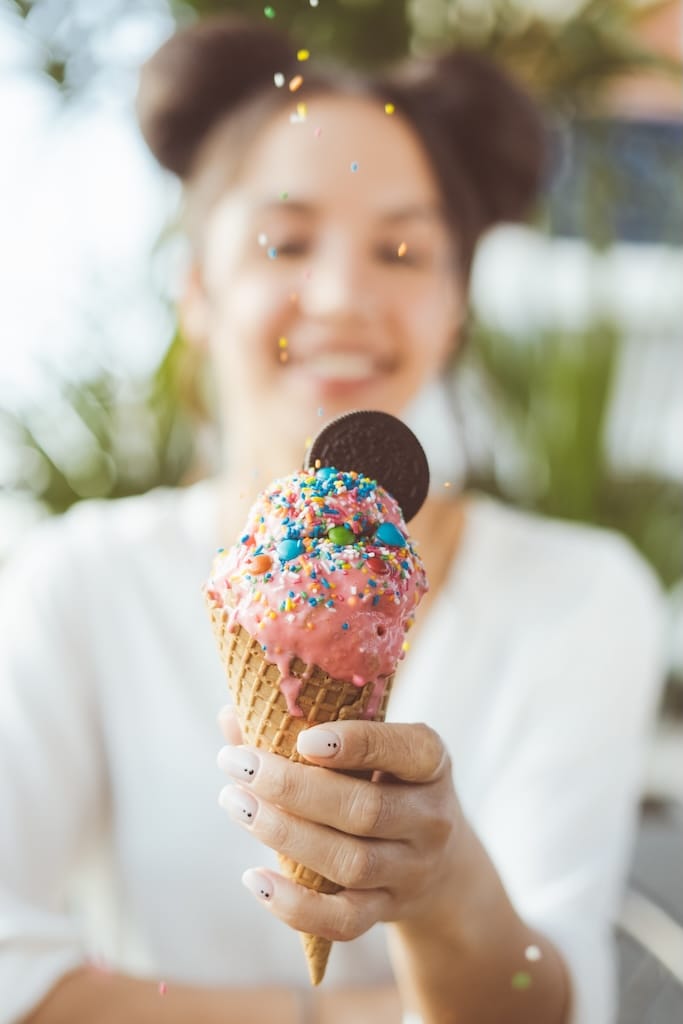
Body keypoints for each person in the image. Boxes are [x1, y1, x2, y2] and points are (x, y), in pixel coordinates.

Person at [0, 14, 664, 1024]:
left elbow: (549, 996)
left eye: (402, 252)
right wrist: (316, 1017)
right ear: (198, 291)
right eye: (285, 240)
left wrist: (447, 894)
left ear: (454, 304)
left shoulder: (580, 594)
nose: (343, 295)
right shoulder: (79, 580)